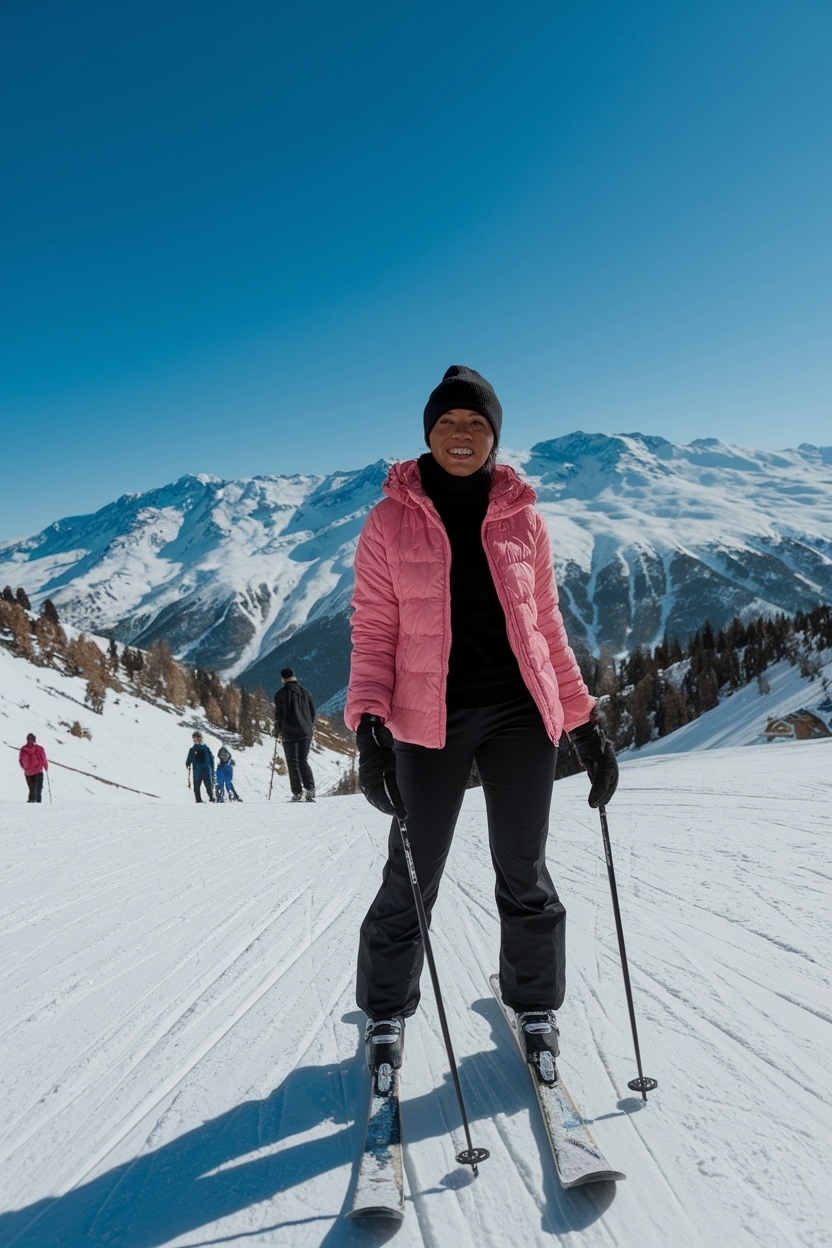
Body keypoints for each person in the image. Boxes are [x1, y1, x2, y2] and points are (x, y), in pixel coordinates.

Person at [345, 364, 618, 1084]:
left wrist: (583, 723)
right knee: (412, 871)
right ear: (427, 434)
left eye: (475, 424)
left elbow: (547, 629)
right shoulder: (388, 519)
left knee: (524, 869)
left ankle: (534, 1004)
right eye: (447, 424)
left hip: (522, 715)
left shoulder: (523, 517)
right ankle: (384, 1012)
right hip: (425, 720)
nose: (460, 435)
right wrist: (370, 724)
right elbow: (373, 629)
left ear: (494, 435)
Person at [274, 668, 317, 802]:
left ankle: (297, 793)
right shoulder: (306, 693)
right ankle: (310, 789)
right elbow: (312, 712)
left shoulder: (280, 695)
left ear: (283, 679)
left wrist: (277, 730)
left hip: (289, 733)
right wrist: (309, 727)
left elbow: (279, 716)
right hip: (305, 732)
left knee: (293, 763)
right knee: (303, 760)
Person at [186, 732, 215, 802]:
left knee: (207, 785)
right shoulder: (193, 749)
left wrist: (212, 768)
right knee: (197, 786)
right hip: (199, 770)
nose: (195, 740)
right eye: (194, 738)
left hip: (205, 770)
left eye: (196, 738)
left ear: (200, 738)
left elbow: (211, 759)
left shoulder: (205, 748)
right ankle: (199, 799)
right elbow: (189, 759)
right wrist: (188, 763)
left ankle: (211, 797)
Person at [19, 733, 48, 802]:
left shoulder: (23, 749)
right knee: (38, 789)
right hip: (38, 771)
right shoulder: (39, 748)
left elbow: (20, 760)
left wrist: (25, 768)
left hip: (28, 773)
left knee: (31, 788)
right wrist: (46, 767)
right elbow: (43, 758)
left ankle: (31, 801)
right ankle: (37, 803)